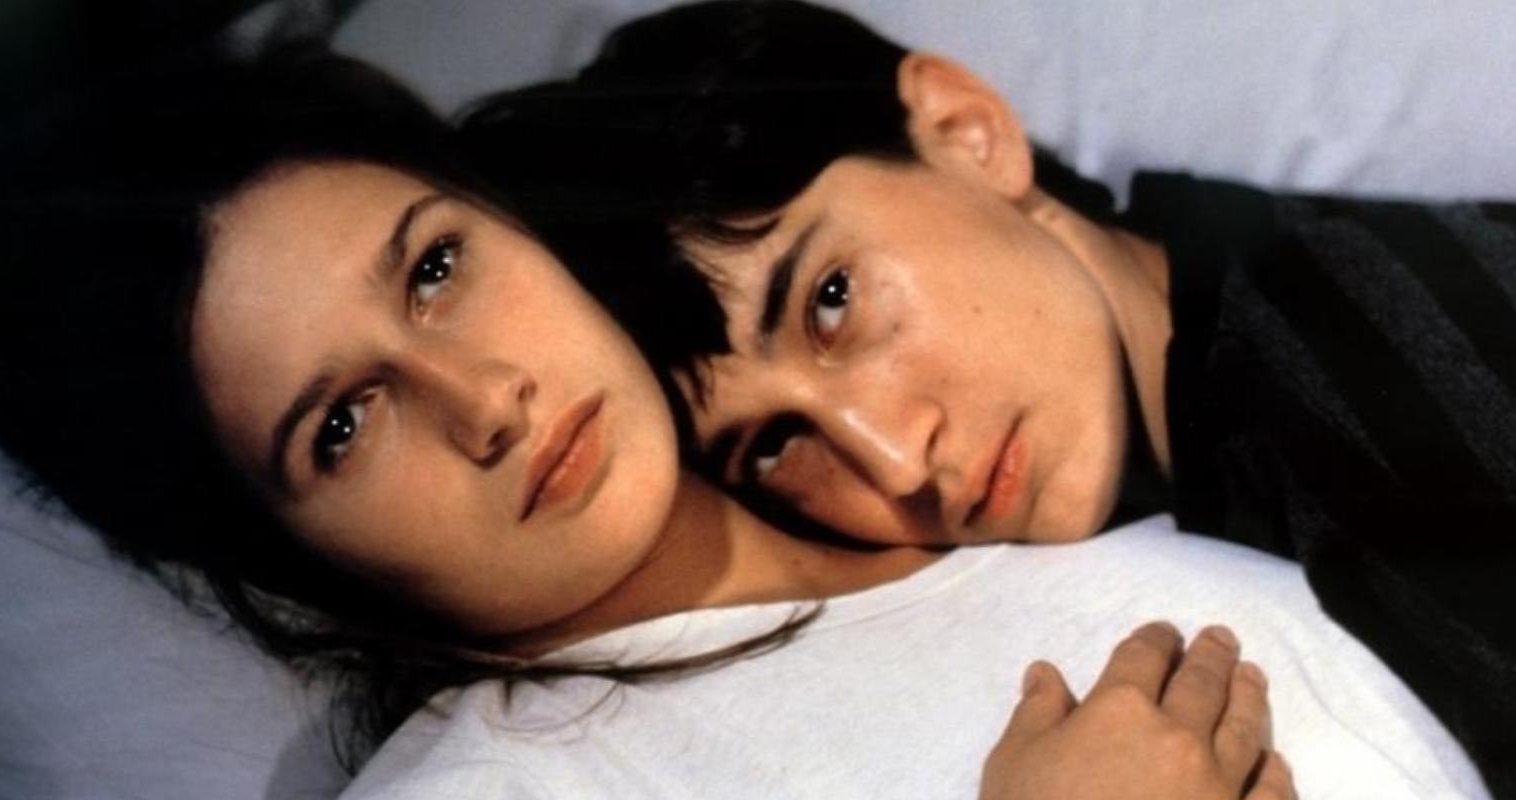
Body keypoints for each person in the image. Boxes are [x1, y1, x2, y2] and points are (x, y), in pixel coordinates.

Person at [0, 41, 1478, 800]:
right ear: (286, 561)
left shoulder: (1028, 480)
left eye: (436, 268)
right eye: (340, 427)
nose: (483, 402)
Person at [458, 1, 1516, 792]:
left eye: (831, 300)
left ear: (967, 130)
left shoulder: (1367, 373)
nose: (893, 457)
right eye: (773, 444)